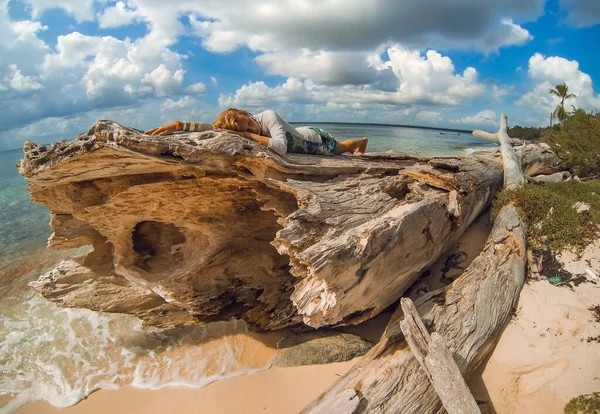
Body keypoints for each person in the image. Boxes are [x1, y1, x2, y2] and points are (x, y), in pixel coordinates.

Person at [145, 108, 368, 157]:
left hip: (315, 141)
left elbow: (281, 148)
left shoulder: (268, 116)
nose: (253, 128)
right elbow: (212, 128)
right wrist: (177, 125)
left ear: (246, 113)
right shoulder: (240, 127)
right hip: (302, 135)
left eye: (250, 123)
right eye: (245, 129)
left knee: (343, 148)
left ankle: (363, 141)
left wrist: (247, 135)